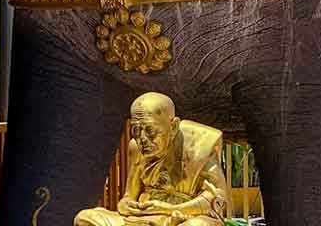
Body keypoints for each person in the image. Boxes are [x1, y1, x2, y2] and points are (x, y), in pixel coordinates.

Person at [74, 93, 229, 226]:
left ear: (173, 126)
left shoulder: (200, 146)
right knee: (85, 217)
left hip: (182, 216)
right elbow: (129, 195)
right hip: (143, 218)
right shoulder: (136, 149)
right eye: (136, 130)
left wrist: (168, 209)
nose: (142, 139)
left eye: (150, 130)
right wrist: (127, 206)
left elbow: (217, 199)